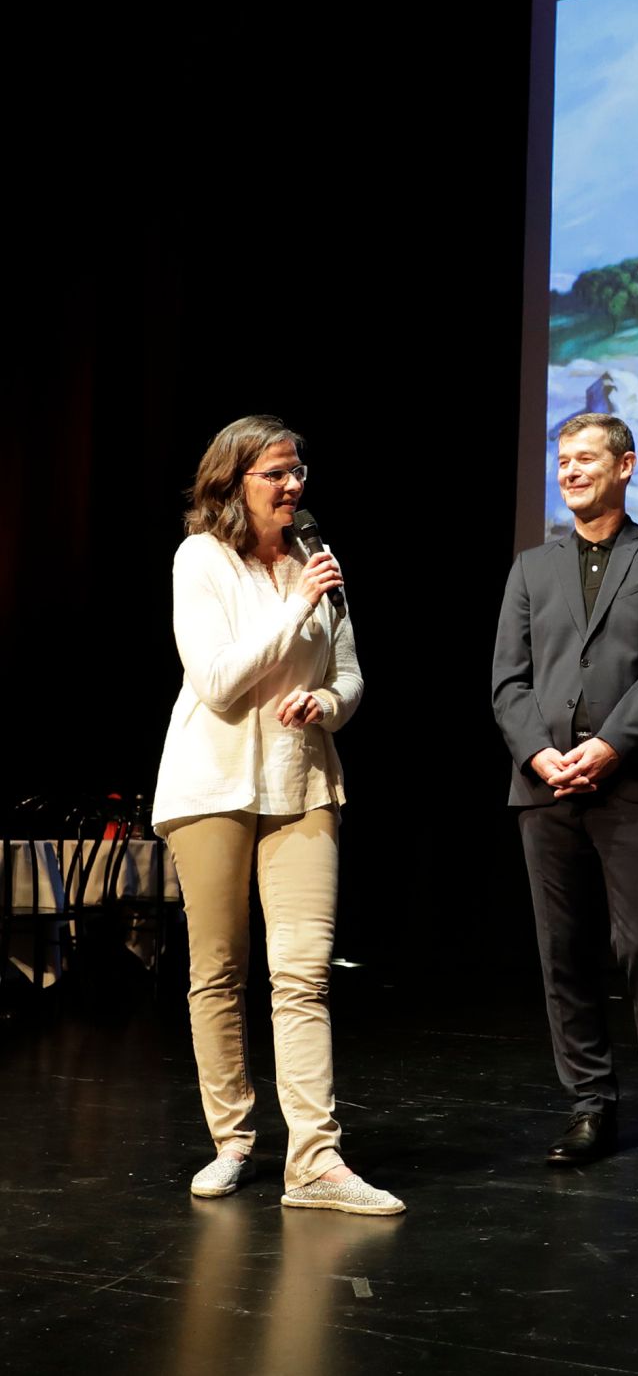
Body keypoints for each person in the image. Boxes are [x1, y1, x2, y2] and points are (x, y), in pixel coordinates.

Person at [152, 415, 401, 1215]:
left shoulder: (314, 560)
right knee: (219, 970)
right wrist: (294, 608)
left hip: (302, 780)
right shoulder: (202, 558)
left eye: (299, 472)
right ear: (234, 482)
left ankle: (316, 1161)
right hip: (212, 785)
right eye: (277, 473)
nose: (294, 485)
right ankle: (232, 1140)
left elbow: (350, 672)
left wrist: (328, 700)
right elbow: (219, 681)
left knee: (303, 972)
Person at [492, 413, 638, 1168]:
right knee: (563, 951)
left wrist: (610, 745)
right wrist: (540, 754)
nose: (571, 471)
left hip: (634, 780)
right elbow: (508, 681)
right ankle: (589, 1105)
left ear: (625, 466)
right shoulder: (531, 567)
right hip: (546, 786)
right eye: (563, 461)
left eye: (586, 458)